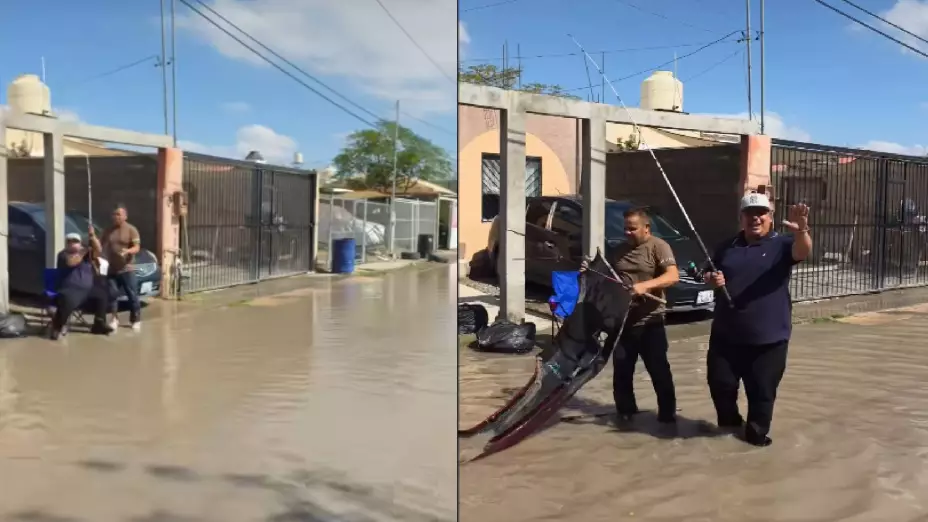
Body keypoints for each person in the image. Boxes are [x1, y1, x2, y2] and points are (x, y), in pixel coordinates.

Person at [702, 193, 811, 447]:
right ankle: (729, 430)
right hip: (725, 337)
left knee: (761, 394)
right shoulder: (726, 246)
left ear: (770, 218)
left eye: (762, 213)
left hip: (769, 340)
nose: (756, 218)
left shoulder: (783, 244)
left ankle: (756, 437)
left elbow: (803, 251)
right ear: (741, 217)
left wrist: (802, 230)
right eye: (750, 213)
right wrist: (711, 278)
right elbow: (708, 270)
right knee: (720, 386)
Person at [583, 207, 680, 424]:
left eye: (632, 229)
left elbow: (673, 276)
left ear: (647, 228)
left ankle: (668, 416)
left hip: (650, 322)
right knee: (622, 373)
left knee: (659, 371)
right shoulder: (618, 250)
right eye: (625, 229)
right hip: (622, 322)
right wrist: (589, 271)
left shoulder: (658, 247)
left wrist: (645, 286)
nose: (627, 233)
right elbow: (606, 278)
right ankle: (625, 416)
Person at [49, 232, 112, 340]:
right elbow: (72, 262)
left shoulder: (87, 254)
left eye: (76, 241)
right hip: (70, 289)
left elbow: (98, 250)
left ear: (80, 243)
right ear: (66, 243)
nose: (73, 244)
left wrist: (93, 237)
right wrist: (84, 251)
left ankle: (99, 324)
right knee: (67, 301)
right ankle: (57, 328)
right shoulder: (63, 255)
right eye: (70, 241)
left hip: (88, 289)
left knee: (102, 295)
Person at [101, 204, 143, 331]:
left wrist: (128, 251)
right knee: (112, 295)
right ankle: (114, 319)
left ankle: (135, 319)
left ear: (125, 216)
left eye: (119, 214)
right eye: (114, 214)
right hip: (112, 268)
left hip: (127, 268)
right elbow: (101, 245)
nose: (116, 217)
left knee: (132, 294)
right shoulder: (108, 230)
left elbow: (137, 247)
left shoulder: (131, 229)